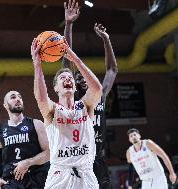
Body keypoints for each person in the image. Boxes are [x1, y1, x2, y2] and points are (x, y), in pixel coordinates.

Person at [31, 30, 102, 188]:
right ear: (56, 88)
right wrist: (37, 64)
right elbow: (41, 98)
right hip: (60, 174)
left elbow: (97, 88)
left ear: (75, 87)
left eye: (70, 78)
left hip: (86, 173)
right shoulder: (52, 111)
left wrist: (75, 59)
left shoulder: (85, 106)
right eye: (62, 78)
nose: (67, 79)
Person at [62, 1, 118, 188]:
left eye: (86, 76)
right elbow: (67, 60)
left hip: (98, 160)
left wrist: (106, 39)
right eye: (78, 77)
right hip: (78, 160)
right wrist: (69, 24)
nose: (83, 78)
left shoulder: (99, 95)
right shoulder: (74, 99)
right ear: (74, 84)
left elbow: (111, 70)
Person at [0, 90, 50, 189]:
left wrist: (28, 162)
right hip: (12, 182)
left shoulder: (36, 124)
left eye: (19, 97)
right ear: (5, 105)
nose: (18, 99)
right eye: (13, 97)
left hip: (36, 179)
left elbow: (48, 153)